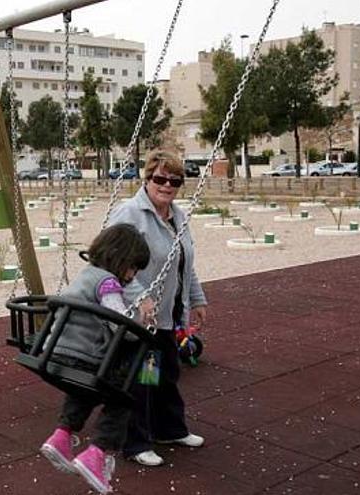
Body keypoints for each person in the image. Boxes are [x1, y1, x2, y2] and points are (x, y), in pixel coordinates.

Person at [108, 149, 209, 467]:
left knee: (167, 374)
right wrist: (142, 298)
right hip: (138, 320)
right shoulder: (130, 214)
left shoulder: (178, 216)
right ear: (147, 178)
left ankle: (170, 429)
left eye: (175, 180)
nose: (167, 185)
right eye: (160, 178)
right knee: (143, 379)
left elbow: (184, 262)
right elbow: (115, 263)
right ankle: (136, 443)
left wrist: (197, 298)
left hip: (166, 316)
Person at [39, 223, 153, 494]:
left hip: (56, 353)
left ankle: (62, 435)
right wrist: (140, 321)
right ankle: (98, 452)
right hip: (83, 355)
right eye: (133, 267)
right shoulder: (108, 282)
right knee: (123, 395)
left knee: (85, 388)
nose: (132, 275)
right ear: (121, 258)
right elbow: (119, 323)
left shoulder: (86, 274)